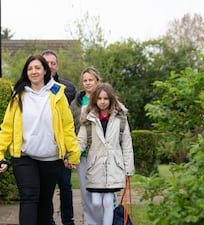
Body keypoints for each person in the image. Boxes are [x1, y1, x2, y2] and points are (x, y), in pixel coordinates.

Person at [0, 55, 81, 225]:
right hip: (24, 156)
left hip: (51, 158)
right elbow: (7, 126)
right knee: (29, 198)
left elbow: (67, 126)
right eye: (30, 68)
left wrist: (73, 153)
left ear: (45, 70)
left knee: (44, 201)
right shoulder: (18, 94)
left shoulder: (57, 93)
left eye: (38, 68)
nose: (34, 71)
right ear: (26, 72)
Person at [77, 83, 135, 225]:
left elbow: (126, 143)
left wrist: (128, 168)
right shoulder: (88, 120)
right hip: (95, 165)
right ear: (95, 100)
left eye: (106, 98)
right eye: (100, 98)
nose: (103, 101)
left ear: (111, 99)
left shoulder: (120, 118)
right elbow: (81, 141)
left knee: (109, 201)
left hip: (113, 165)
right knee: (96, 202)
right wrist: (72, 157)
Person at [42, 49, 77, 225]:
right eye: (46, 63)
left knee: (65, 186)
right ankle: (48, 220)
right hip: (43, 146)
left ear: (57, 65)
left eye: (53, 63)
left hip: (61, 146)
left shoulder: (68, 88)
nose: (50, 66)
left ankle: (68, 219)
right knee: (46, 189)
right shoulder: (32, 88)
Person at [69, 67, 103, 225]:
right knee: (86, 193)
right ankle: (91, 222)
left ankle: (105, 220)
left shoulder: (105, 99)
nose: (88, 83)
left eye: (91, 80)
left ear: (97, 81)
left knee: (103, 195)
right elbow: (69, 127)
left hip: (101, 155)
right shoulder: (76, 103)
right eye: (85, 80)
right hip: (82, 154)